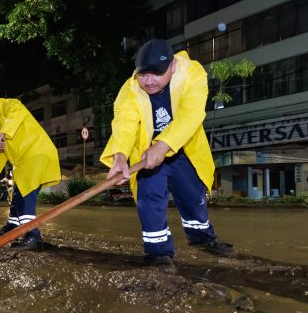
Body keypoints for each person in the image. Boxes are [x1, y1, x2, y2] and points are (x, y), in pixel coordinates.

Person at [100, 38, 234, 273]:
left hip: (184, 150)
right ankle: (158, 253)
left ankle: (202, 239)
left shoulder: (192, 74)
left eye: (156, 74)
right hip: (146, 156)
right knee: (150, 201)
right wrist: (120, 156)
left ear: (172, 66)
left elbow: (191, 115)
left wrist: (162, 146)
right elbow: (124, 123)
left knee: (193, 198)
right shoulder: (130, 89)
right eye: (143, 74)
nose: (148, 81)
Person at [0, 98, 61, 250]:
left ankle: (32, 236)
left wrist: (3, 132)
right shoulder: (1, 128)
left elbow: (18, 109)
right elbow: (0, 157)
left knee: (24, 197)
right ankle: (12, 229)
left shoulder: (3, 106)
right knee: (17, 197)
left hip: (35, 155)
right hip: (25, 162)